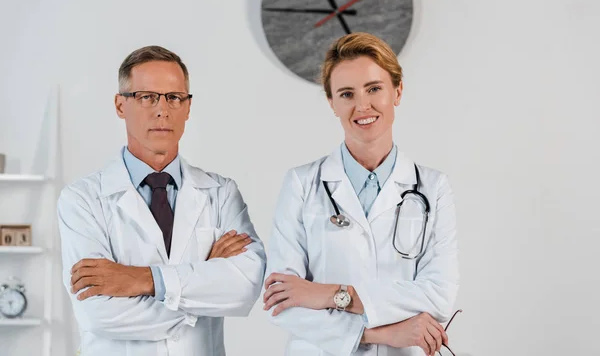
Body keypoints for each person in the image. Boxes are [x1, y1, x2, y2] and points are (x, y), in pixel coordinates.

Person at [57, 46, 266, 356]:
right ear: (120, 105)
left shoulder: (221, 193)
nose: (162, 110)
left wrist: (143, 279)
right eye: (146, 97)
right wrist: (205, 283)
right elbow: (98, 314)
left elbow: (245, 287)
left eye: (174, 97)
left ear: (188, 107)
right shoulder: (83, 200)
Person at [263, 32, 460, 356]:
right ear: (331, 102)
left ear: (397, 90)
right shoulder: (301, 184)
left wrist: (331, 295)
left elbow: (437, 295)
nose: (362, 105)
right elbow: (282, 301)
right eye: (346, 94)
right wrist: (379, 333)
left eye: (374, 89)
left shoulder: (433, 188)